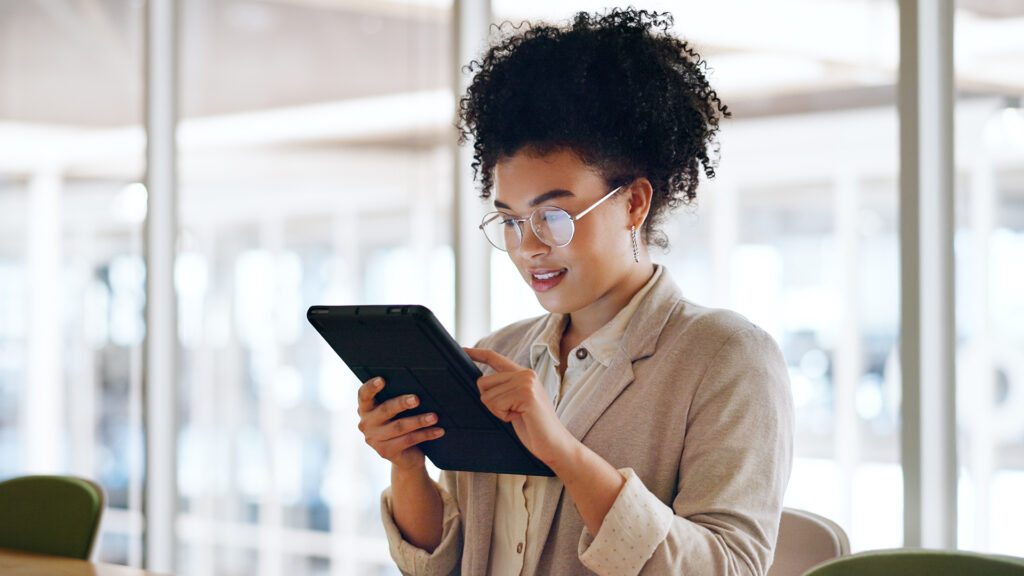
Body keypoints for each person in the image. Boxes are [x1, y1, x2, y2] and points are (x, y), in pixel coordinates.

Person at [356, 8, 794, 575]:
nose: (528, 247)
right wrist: (408, 464)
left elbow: (729, 567)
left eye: (554, 217)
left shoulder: (727, 358)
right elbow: (448, 562)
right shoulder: (501, 354)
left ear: (633, 202)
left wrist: (562, 452)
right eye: (510, 221)